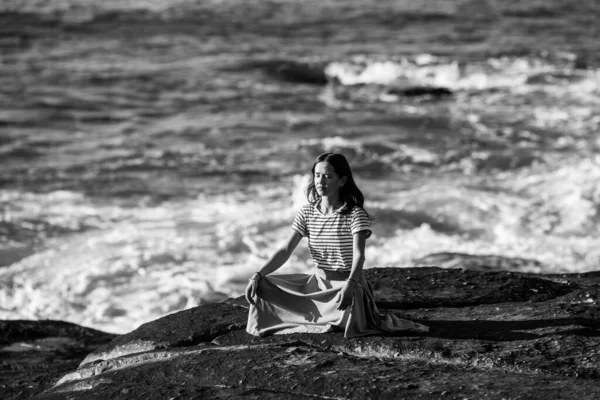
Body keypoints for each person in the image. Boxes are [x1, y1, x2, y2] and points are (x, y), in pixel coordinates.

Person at [245, 152, 428, 337]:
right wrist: (258, 275)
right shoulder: (307, 212)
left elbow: (359, 255)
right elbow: (285, 250)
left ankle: (321, 315)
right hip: (317, 285)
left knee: (345, 318)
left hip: (346, 285)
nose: (320, 181)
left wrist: (350, 283)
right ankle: (315, 314)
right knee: (262, 287)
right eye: (317, 175)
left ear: (342, 181)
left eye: (327, 176)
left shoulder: (355, 215)